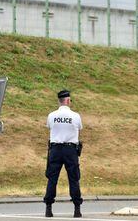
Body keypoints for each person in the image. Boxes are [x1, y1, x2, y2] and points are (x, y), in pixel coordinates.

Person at [44, 89, 83, 218]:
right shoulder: (75, 116)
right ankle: (77, 209)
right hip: (70, 150)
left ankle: (48, 208)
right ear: (67, 100)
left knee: (52, 179)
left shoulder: (51, 115)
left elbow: (49, 127)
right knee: (74, 179)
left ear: (59, 101)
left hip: (55, 149)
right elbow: (79, 128)